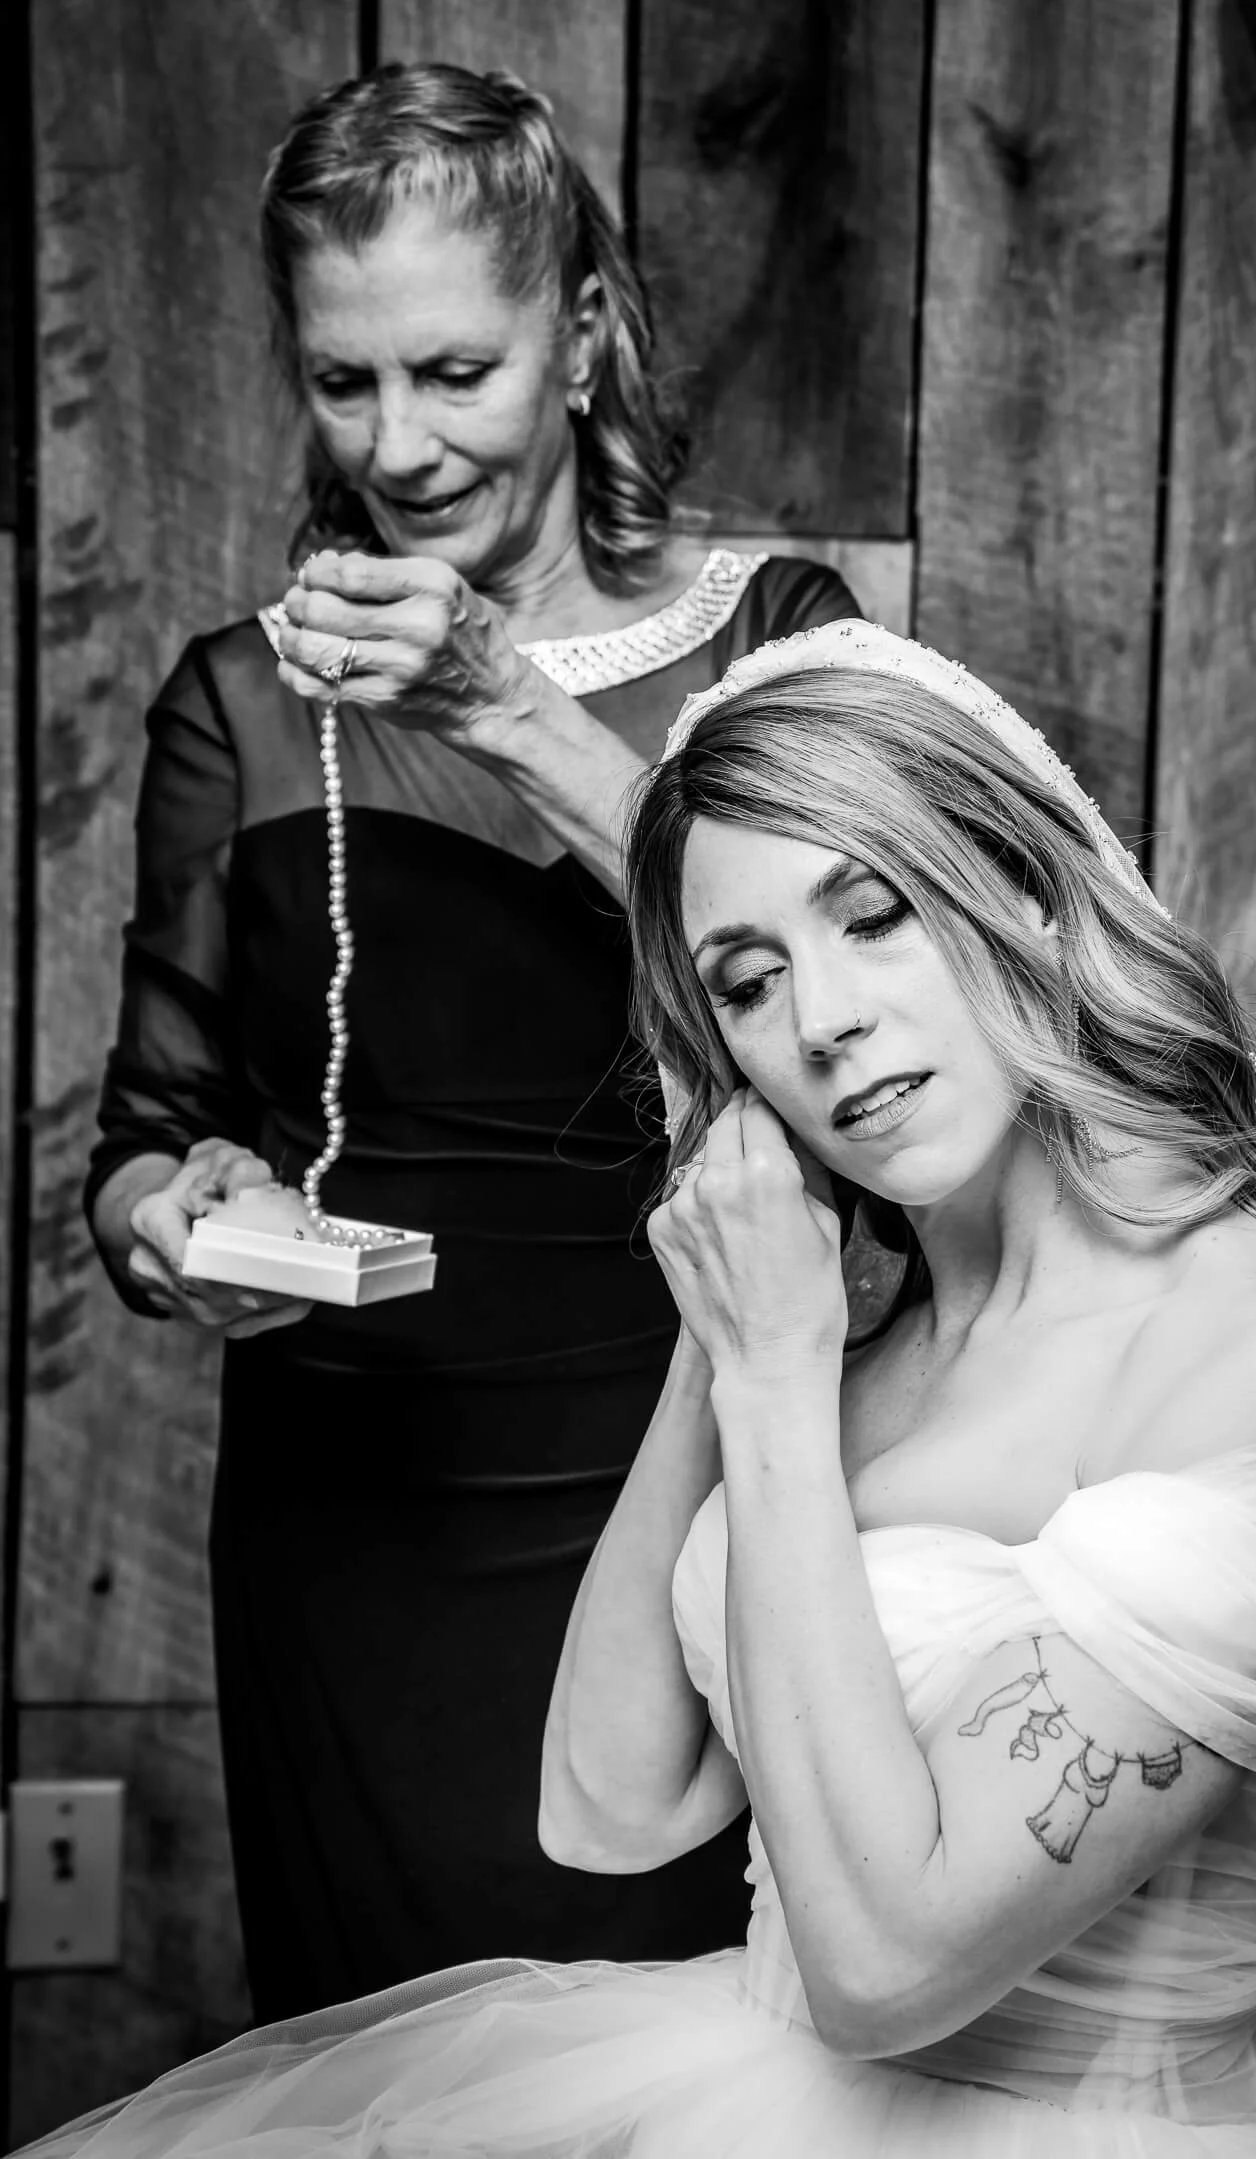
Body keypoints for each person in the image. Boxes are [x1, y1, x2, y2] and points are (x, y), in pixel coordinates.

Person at [43, 621, 1256, 2158]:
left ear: (1027, 897)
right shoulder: (845, 1333)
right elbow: (608, 1804)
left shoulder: (1252, 1352)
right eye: (750, 982)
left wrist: (777, 1381)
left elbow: (888, 1968)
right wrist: (725, 1338)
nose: (823, 1020)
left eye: (875, 914)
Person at [83, 61, 858, 2019]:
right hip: (349, 1524)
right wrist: (181, 1215)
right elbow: (147, 1131)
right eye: (344, 382)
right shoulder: (237, 701)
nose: (398, 441)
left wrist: (507, 704)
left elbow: (839, 1004)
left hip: (689, 1459)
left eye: (454, 369)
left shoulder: (773, 631)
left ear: (582, 335)